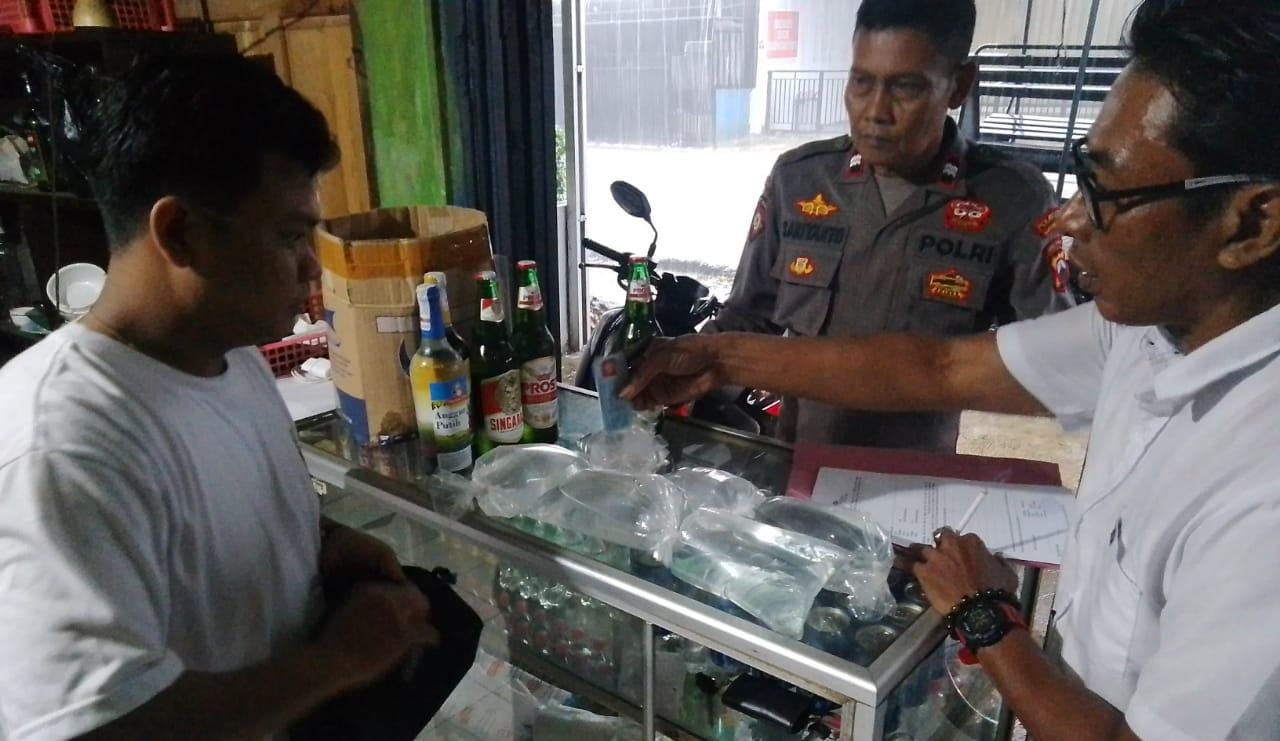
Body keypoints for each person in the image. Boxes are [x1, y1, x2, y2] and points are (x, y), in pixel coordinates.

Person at [623, 0, 1280, 736]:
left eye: (1106, 191)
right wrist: (715, 355)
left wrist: (986, 618)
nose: (1070, 220)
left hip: (921, 511)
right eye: (860, 82)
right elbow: (937, 365)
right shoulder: (1138, 333)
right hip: (804, 479)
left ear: (1252, 223)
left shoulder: (1261, 497)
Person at [0, 55, 438, 740]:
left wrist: (321, 546)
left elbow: (200, 534)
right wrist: (339, 661)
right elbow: (94, 727)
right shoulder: (62, 448)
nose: (311, 265)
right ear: (180, 232)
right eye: (289, 236)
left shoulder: (229, 353)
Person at [703, 0, 1074, 453]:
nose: (876, 111)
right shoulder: (799, 181)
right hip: (798, 467)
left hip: (915, 479)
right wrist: (677, 367)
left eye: (905, 87)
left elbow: (1055, 359)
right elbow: (747, 317)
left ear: (959, 85)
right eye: (861, 82)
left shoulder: (1010, 199)